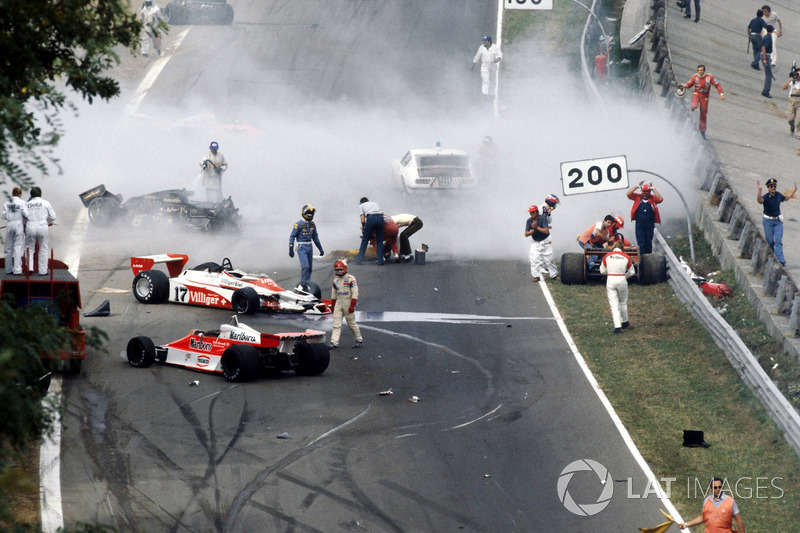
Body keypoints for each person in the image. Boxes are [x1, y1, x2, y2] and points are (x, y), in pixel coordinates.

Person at [678, 477, 746, 533]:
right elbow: (703, 517)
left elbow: (739, 519)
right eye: (715, 487)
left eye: (720, 487)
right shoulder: (707, 501)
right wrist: (686, 524)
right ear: (710, 488)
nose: (718, 489)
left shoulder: (730, 501)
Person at [756, 178, 797, 266]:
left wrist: (794, 191)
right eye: (771, 186)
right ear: (768, 188)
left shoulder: (778, 195)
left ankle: (780, 260)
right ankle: (771, 256)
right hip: (767, 221)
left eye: (774, 186)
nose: (773, 188)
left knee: (778, 241)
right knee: (770, 241)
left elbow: (785, 198)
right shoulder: (766, 197)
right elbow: (759, 201)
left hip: (777, 221)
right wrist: (759, 190)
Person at [599, 241, 635, 334]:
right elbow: (632, 272)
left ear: (613, 247)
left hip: (611, 279)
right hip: (622, 279)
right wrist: (624, 276)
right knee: (623, 302)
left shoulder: (607, 256)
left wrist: (610, 273)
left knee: (614, 304)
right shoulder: (626, 256)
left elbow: (602, 270)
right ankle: (625, 321)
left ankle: (617, 326)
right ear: (622, 248)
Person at [681, 64, 725, 139]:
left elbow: (717, 85)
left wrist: (721, 94)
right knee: (694, 105)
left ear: (704, 71)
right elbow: (690, 83)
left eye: (701, 70)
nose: (700, 72)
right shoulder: (695, 77)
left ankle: (702, 130)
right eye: (698, 70)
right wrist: (685, 85)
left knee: (703, 113)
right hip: (697, 93)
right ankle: (692, 107)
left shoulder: (709, 77)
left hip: (705, 96)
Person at [329, 260, 363, 350]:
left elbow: (355, 293)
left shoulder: (351, 279)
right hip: (338, 303)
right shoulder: (335, 280)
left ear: (345, 269)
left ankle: (359, 339)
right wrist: (332, 306)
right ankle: (334, 342)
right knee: (336, 324)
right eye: (337, 270)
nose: (339, 272)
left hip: (348, 303)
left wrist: (352, 305)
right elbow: (333, 294)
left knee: (351, 324)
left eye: (341, 269)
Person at [25, 187, 56, 276]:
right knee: (43, 249)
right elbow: (53, 217)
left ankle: (29, 268)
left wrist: (28, 222)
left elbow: (23, 217)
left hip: (30, 226)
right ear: (40, 194)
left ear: (31, 195)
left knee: (29, 248)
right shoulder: (46, 203)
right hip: (42, 226)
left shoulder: (27, 204)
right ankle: (42, 271)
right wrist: (47, 221)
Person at [289, 204, 324, 282]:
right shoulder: (298, 224)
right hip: (301, 247)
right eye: (309, 214)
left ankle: (307, 284)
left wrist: (320, 249)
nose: (310, 215)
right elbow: (292, 236)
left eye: (312, 214)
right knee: (305, 267)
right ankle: (303, 284)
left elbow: (315, 238)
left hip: (310, 246)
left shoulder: (312, 224)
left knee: (310, 269)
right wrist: (291, 248)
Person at [626, 182, 663, 255]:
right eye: (644, 192)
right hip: (639, 224)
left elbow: (660, 199)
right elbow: (628, 194)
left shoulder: (653, 199)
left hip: (649, 224)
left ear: (649, 192)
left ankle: (648, 257)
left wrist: (654, 189)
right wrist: (637, 186)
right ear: (641, 192)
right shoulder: (637, 197)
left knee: (648, 242)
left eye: (647, 192)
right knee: (641, 242)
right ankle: (642, 257)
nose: (645, 194)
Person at [525, 204, 558, 283]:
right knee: (534, 258)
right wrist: (533, 230)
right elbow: (526, 234)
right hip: (535, 241)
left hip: (545, 239)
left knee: (549, 258)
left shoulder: (542, 218)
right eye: (530, 212)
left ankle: (554, 275)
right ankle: (536, 276)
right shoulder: (529, 221)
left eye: (533, 212)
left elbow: (546, 231)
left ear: (537, 212)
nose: (531, 214)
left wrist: (536, 228)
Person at [2, 187, 28, 275]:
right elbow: (26, 214)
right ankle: (17, 270)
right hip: (18, 224)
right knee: (17, 247)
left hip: (9, 224)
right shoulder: (22, 202)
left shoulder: (6, 203)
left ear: (12, 194)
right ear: (20, 195)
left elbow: (4, 216)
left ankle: (8, 269)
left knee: (8, 248)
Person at [356, 197, 383, 265]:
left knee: (365, 240)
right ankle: (380, 261)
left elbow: (362, 219)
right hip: (380, 218)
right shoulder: (375, 203)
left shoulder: (361, 205)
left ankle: (359, 261)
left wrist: (363, 226)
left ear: (361, 202)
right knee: (379, 240)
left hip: (371, 218)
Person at [781, 71, 800, 136]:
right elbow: (783, 88)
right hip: (792, 101)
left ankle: (798, 132)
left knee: (799, 119)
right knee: (790, 119)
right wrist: (789, 81)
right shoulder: (793, 82)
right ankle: (792, 126)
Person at [761, 25, 775, 98]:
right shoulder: (768, 38)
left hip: (767, 55)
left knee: (768, 74)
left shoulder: (766, 36)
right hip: (765, 55)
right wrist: (765, 59)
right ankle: (766, 91)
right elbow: (764, 48)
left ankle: (766, 90)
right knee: (769, 74)